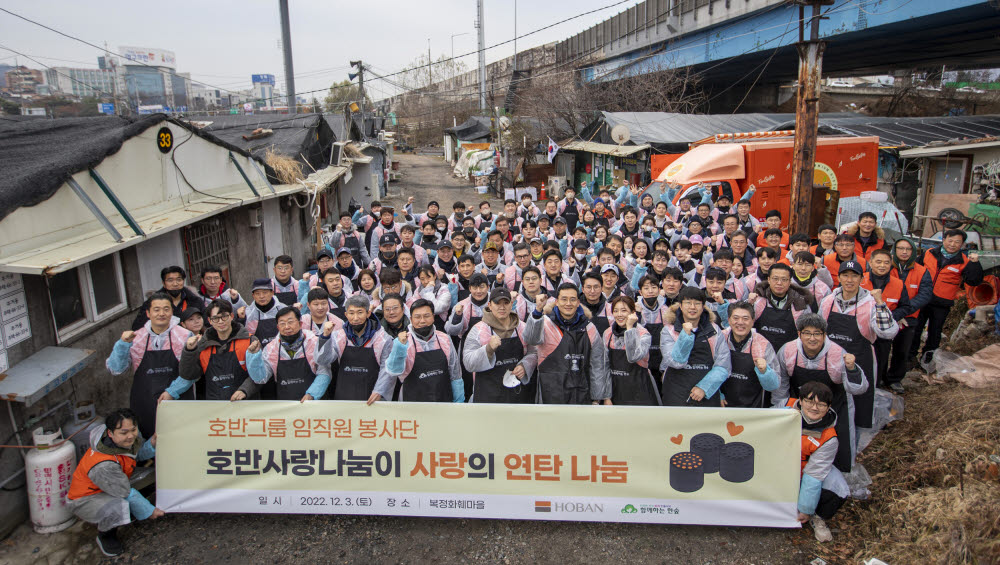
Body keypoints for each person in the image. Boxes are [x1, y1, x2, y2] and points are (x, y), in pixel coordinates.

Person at [773, 313, 868, 472]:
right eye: (807, 333)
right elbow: (781, 383)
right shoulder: (788, 351)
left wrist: (852, 369)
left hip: (835, 406)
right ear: (799, 334)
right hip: (801, 407)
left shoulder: (837, 354)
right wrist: (781, 410)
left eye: (817, 334)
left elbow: (858, 388)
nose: (812, 338)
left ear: (824, 335)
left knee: (839, 450)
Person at [66, 409, 163, 557]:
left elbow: (137, 454)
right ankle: (106, 535)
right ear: (110, 433)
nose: (130, 436)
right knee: (118, 507)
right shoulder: (103, 465)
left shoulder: (122, 441)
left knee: (153, 478)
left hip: (116, 481)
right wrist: (150, 511)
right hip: (87, 497)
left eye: (133, 430)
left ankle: (133, 512)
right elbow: (125, 492)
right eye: (124, 433)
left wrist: (152, 443)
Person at [819, 260, 898, 432]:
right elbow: (819, 331)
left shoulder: (870, 303)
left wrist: (880, 304)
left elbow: (888, 332)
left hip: (861, 360)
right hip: (831, 361)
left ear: (862, 279)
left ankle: (854, 445)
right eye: (845, 275)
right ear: (839, 277)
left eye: (854, 276)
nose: (849, 280)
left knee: (860, 405)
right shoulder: (828, 301)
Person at [106, 292, 192, 438]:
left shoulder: (185, 336)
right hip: (145, 402)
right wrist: (122, 345)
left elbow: (191, 372)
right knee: (149, 442)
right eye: (156, 309)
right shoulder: (136, 338)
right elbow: (116, 369)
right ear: (148, 313)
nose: (161, 314)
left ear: (172, 312)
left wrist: (172, 392)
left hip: (178, 401)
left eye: (166, 309)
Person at [524, 283, 611, 405]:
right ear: (557, 302)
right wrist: (538, 311)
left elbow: (597, 365)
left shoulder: (589, 328)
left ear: (578, 302)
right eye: (564, 299)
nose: (568, 303)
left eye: (572, 299)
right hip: (550, 394)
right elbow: (531, 339)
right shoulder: (545, 323)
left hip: (581, 395)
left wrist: (597, 398)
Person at [788, 381, 850, 543]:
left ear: (829, 407)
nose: (814, 408)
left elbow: (815, 473)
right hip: (777, 467)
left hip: (805, 471)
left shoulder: (829, 437)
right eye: (809, 401)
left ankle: (817, 515)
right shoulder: (783, 410)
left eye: (821, 404)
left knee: (839, 489)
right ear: (800, 401)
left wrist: (805, 508)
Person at [910, 228, 983, 364]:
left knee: (935, 333)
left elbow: (974, 281)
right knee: (915, 329)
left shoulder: (964, 261)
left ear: (962, 245)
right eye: (950, 240)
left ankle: (927, 360)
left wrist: (975, 263)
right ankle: (910, 358)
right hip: (921, 299)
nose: (952, 244)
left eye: (957, 242)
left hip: (942, 303)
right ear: (943, 240)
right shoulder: (929, 253)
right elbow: (914, 270)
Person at [372, 299, 464, 403]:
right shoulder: (403, 342)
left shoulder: (445, 339)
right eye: (417, 317)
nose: (422, 321)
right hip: (412, 405)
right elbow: (393, 371)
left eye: (426, 316)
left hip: (443, 401)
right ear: (411, 319)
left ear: (433, 317)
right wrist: (399, 347)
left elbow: (455, 374)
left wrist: (458, 402)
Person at [159, 299, 253, 402]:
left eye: (224, 316)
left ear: (231, 316)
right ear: (210, 320)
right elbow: (189, 375)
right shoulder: (202, 346)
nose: (221, 321)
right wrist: (189, 351)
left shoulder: (250, 341)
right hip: (214, 408)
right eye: (216, 318)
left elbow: (259, 376)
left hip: (246, 407)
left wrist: (245, 390)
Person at [462, 287, 538, 403]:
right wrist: (488, 349)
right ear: (489, 305)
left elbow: (534, 352)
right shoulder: (478, 330)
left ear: (511, 304)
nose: (502, 307)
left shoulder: (522, 327)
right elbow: (468, 362)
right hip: (488, 397)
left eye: (506, 303)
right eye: (497, 303)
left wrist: (525, 366)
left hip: (518, 396)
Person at [660, 286, 731, 407]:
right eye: (688, 303)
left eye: (697, 303)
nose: (692, 307)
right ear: (681, 306)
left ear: (703, 307)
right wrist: (685, 336)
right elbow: (675, 362)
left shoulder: (714, 330)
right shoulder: (669, 330)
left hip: (706, 393)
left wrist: (704, 388)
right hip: (676, 392)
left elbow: (723, 366)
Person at [246, 306, 333, 401]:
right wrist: (253, 356)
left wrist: (312, 394)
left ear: (300, 324)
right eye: (282, 323)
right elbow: (260, 378)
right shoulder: (271, 349)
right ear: (278, 327)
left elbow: (324, 372)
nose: (287, 327)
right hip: (286, 407)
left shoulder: (314, 343)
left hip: (315, 405)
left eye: (290, 322)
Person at [861, 249, 911, 393]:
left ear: (891, 265)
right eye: (878, 262)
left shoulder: (899, 284)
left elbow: (905, 307)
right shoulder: (860, 279)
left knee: (881, 358)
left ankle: (876, 386)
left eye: (886, 262)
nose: (882, 265)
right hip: (862, 329)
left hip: (884, 331)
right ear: (870, 263)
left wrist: (889, 317)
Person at [327, 294, 394, 400]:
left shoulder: (383, 339)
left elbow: (387, 369)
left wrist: (379, 391)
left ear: (368, 313)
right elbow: (324, 360)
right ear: (346, 314)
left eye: (360, 312)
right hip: (343, 398)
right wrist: (324, 338)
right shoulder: (338, 337)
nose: (355, 318)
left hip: (372, 399)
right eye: (351, 313)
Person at [886, 237, 932, 391]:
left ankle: (895, 378)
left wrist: (904, 312)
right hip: (886, 316)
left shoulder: (922, 271)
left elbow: (924, 295)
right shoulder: (886, 266)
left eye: (908, 249)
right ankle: (879, 377)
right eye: (900, 248)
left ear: (913, 252)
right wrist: (893, 313)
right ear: (894, 250)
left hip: (909, 317)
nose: (904, 252)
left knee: (902, 350)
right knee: (882, 350)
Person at [720, 302, 779, 408]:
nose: (740, 322)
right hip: (722, 406)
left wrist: (765, 372)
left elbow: (773, 386)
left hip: (752, 409)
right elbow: (709, 371)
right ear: (729, 320)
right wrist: (718, 395)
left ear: (752, 321)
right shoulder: (720, 339)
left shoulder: (762, 344)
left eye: (745, 318)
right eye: (736, 318)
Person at [604, 296, 660, 406]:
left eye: (624, 310)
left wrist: (630, 329)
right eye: (615, 311)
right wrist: (606, 396)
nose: (619, 314)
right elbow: (604, 366)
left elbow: (633, 357)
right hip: (616, 391)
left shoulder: (643, 334)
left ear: (633, 312)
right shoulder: (607, 334)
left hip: (640, 391)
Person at [750, 263, 812, 353]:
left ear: (790, 282)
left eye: (784, 279)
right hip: (760, 353)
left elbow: (807, 334)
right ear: (768, 280)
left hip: (789, 354)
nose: (779, 283)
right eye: (775, 279)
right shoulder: (757, 301)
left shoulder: (801, 305)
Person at [131, 266, 202, 330]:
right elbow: (138, 328)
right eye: (170, 280)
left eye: (179, 280)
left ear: (183, 281)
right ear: (163, 283)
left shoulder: (195, 300)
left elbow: (206, 322)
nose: (175, 284)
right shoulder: (151, 303)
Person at [242, 278, 287, 347]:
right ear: (253, 296)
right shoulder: (248, 313)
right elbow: (246, 337)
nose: (261, 296)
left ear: (272, 293)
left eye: (265, 292)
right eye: (257, 293)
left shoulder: (283, 309)